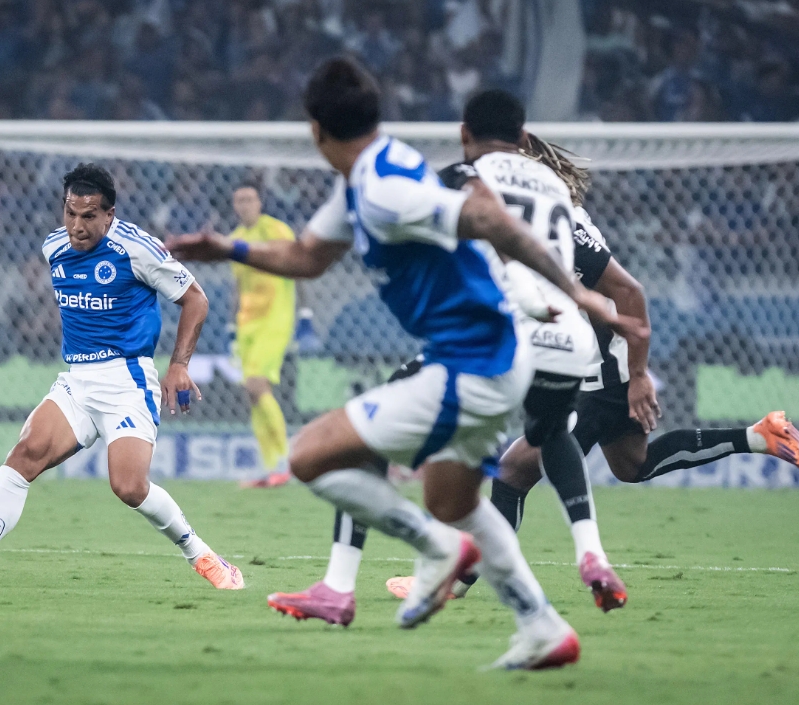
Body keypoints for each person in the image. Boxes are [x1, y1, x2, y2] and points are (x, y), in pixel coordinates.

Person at [169, 57, 644, 670]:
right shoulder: (372, 172)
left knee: (311, 455)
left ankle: (430, 553)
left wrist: (576, 292)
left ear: (315, 131)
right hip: (490, 362)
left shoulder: (388, 188)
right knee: (457, 501)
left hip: (470, 365)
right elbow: (309, 256)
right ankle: (542, 627)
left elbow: (483, 217)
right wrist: (227, 248)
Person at [389, 132, 799, 604]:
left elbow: (629, 292)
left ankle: (455, 578)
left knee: (512, 473)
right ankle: (762, 435)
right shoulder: (523, 217)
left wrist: (636, 375)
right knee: (632, 464)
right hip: (587, 362)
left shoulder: (562, 222)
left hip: (597, 368)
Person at [270, 91, 627, 626]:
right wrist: (631, 367)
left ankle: (346, 583)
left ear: (465, 134)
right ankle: (583, 559)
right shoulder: (559, 194)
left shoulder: (459, 178)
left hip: (497, 337)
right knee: (536, 445)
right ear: (524, 139)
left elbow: (452, 235)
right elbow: (624, 287)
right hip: (569, 341)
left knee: (365, 439)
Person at [0, 164, 244, 591]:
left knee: (128, 486)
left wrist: (178, 365)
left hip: (128, 381)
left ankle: (204, 557)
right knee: (24, 454)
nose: (77, 225)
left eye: (89, 216)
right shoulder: (53, 248)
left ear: (109, 215)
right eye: (70, 213)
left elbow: (195, 300)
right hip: (78, 381)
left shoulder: (137, 249)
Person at [228, 182, 297, 488]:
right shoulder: (233, 240)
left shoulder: (277, 231)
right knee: (252, 394)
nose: (245, 204)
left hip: (274, 319)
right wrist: (231, 326)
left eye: (250, 199)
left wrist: (306, 315)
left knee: (258, 385)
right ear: (234, 206)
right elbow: (237, 286)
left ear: (259, 202)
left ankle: (284, 461)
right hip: (247, 324)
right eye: (239, 200)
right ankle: (271, 468)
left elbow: (298, 269)